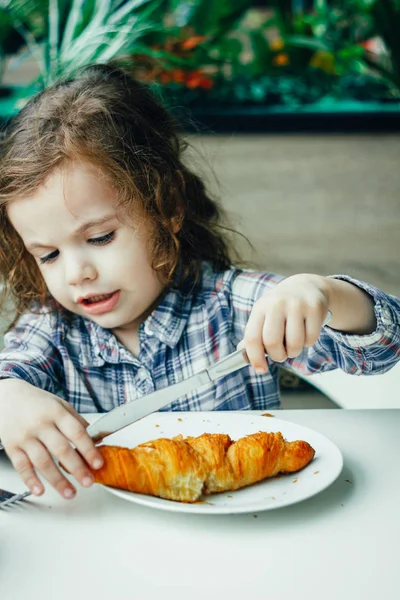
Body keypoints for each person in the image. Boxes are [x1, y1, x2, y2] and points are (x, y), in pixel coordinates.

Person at [0, 65, 398, 501]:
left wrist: (326, 295)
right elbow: (11, 374)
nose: (76, 273)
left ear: (166, 206)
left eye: (99, 238)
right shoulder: (51, 330)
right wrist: (8, 400)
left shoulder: (231, 306)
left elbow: (383, 347)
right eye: (49, 255)